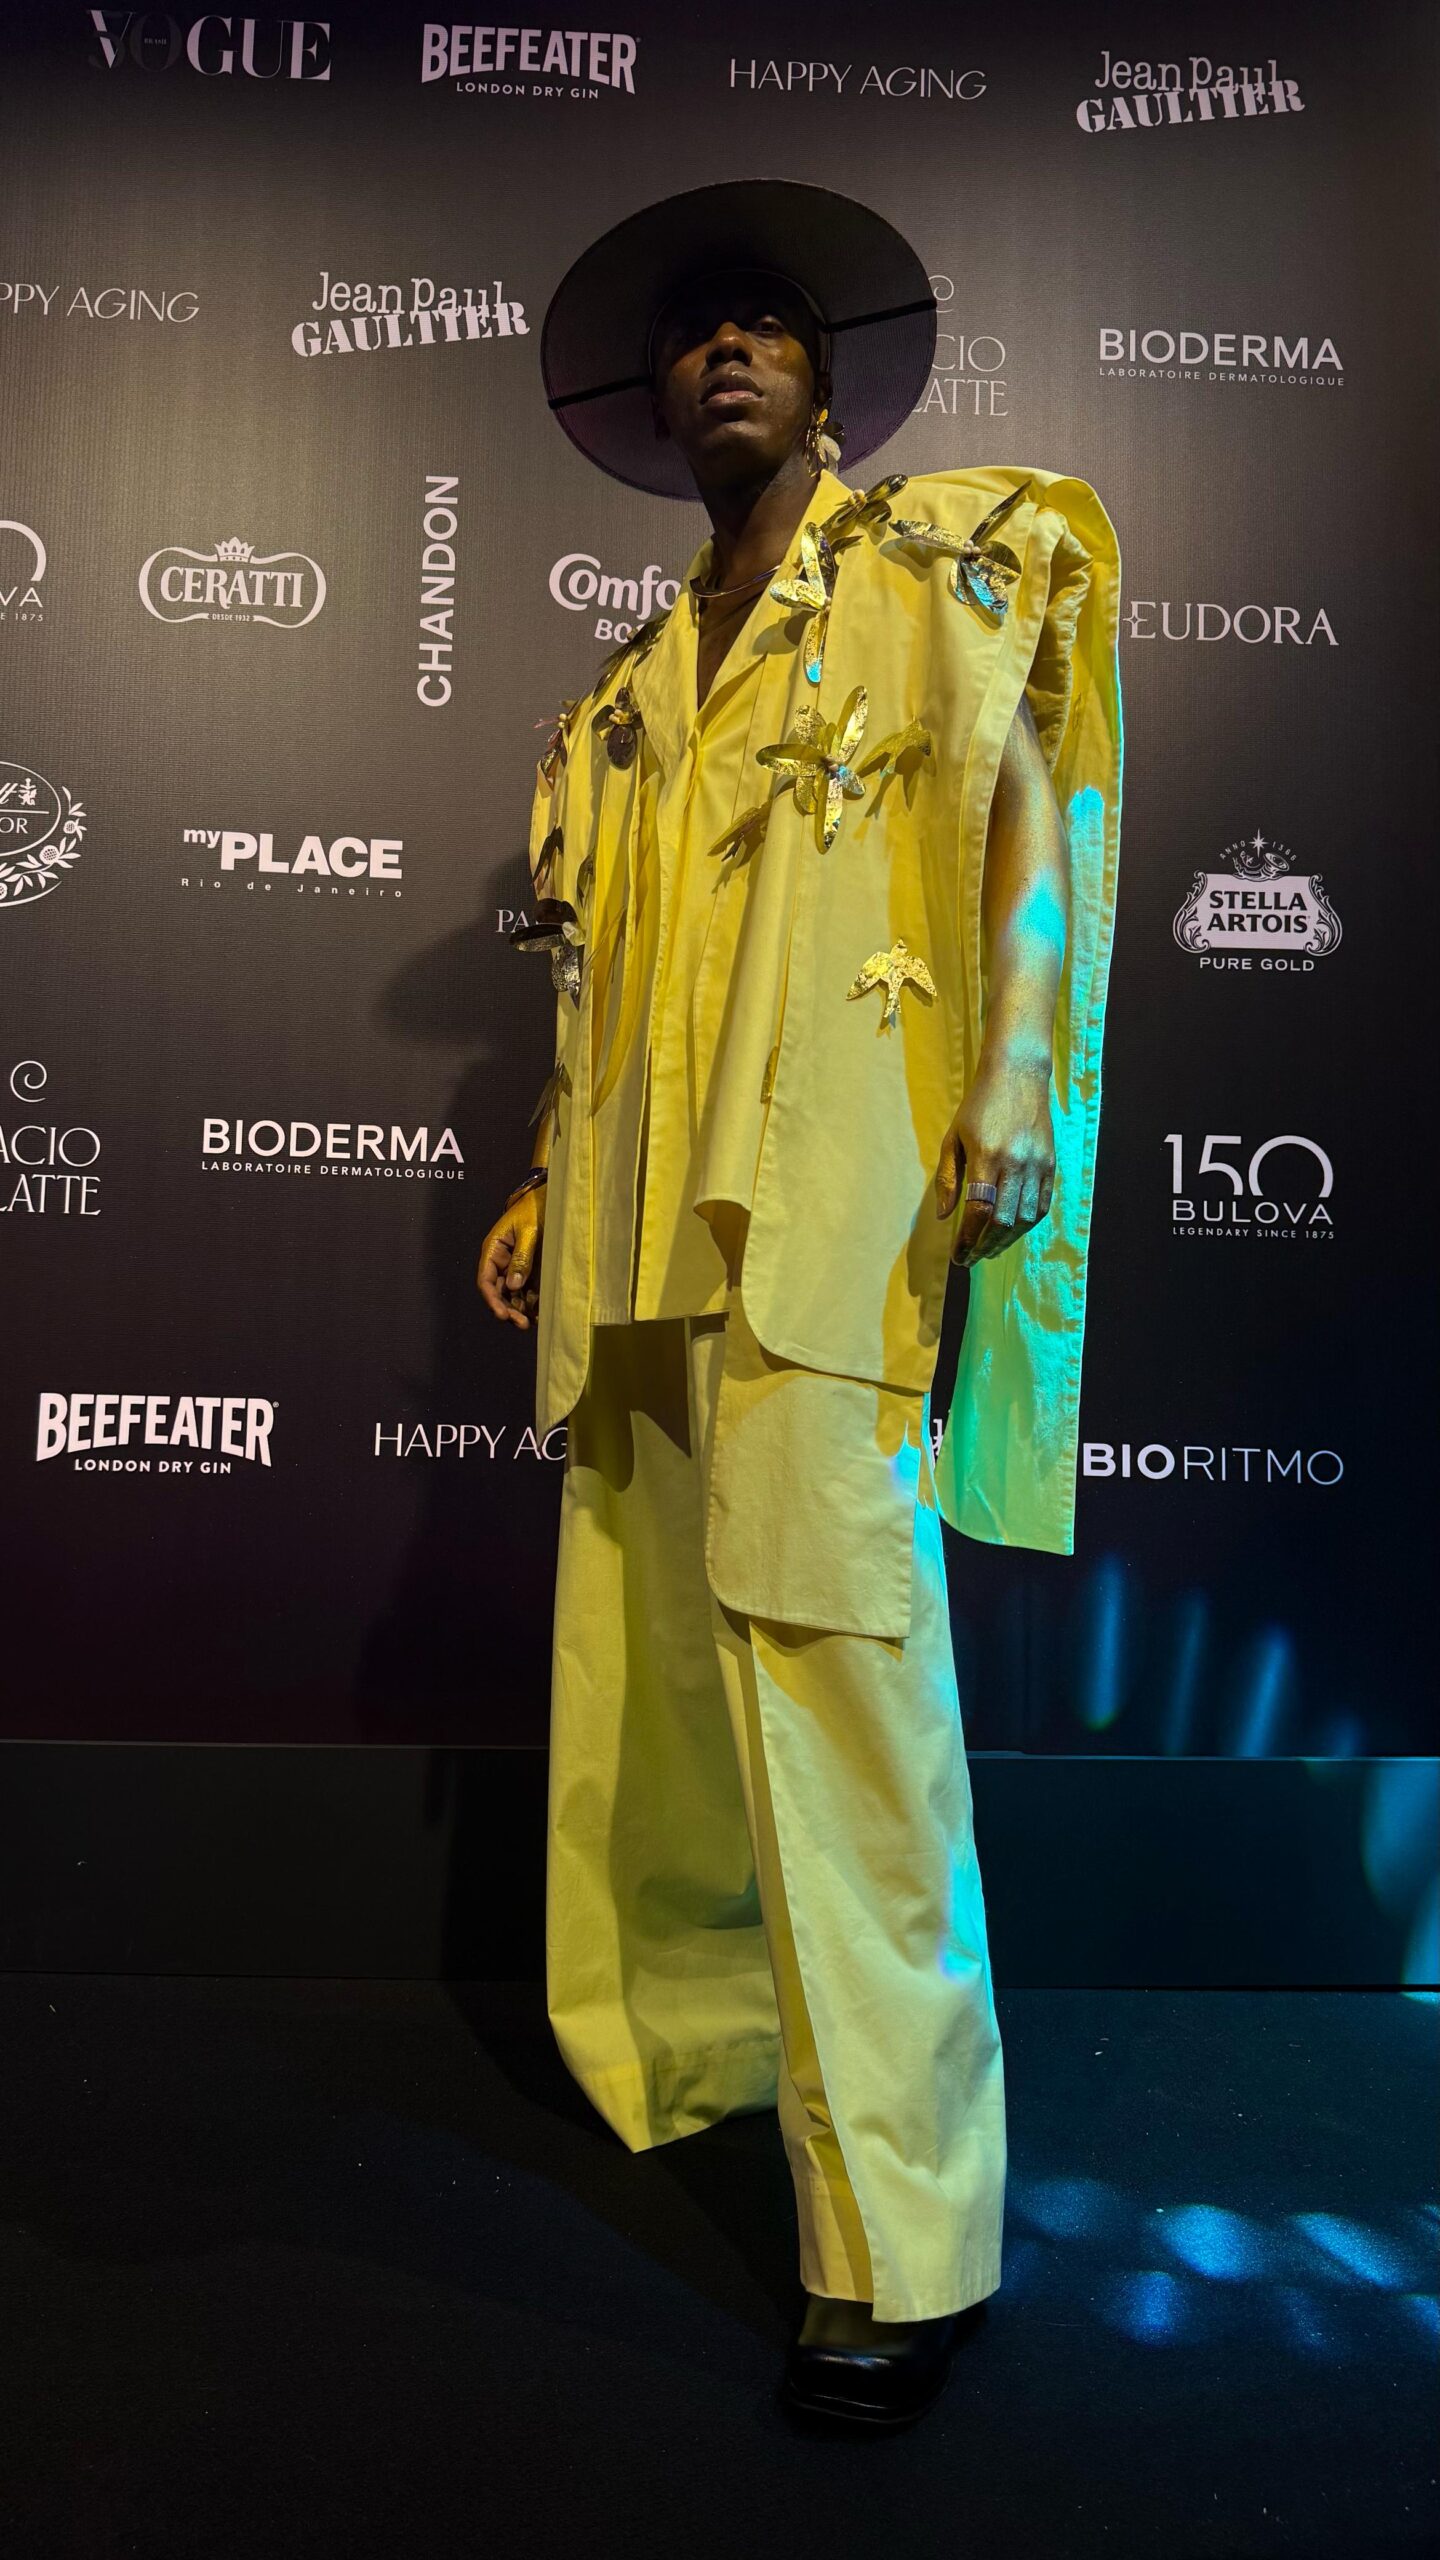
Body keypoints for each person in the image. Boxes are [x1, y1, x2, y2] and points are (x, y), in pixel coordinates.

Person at [477, 180, 1122, 2427]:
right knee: (653, 1676)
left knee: (848, 1699)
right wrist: (547, 1163)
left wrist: (1019, 1065)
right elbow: (609, 962)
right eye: (695, 333)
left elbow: (1027, 817)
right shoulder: (626, 688)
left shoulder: (933, 564)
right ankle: (695, 2051)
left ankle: (908, 2246)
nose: (729, 348)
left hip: (830, 1210)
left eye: (765, 322)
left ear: (827, 382)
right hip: (645, 1234)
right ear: (655, 406)